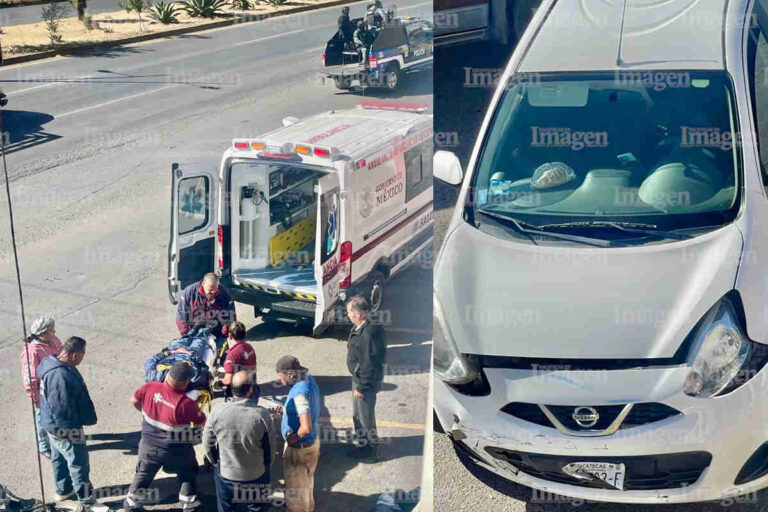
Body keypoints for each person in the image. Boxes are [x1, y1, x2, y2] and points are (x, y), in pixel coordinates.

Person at [123, 362, 207, 512]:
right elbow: (202, 422)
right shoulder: (186, 403)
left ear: (168, 375)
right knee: (187, 471)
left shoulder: (150, 387)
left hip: (148, 447)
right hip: (176, 450)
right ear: (186, 383)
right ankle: (188, 504)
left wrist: (146, 413)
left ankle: (131, 505)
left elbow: (134, 400)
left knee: (143, 474)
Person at [37, 337, 99, 507]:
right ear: (74, 354)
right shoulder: (60, 375)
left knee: (59, 457)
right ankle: (87, 501)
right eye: (83, 354)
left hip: (50, 424)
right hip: (64, 428)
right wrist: (71, 432)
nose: (82, 358)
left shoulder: (50, 362)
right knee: (79, 464)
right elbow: (61, 408)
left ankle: (63, 490)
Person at [204, 371, 274, 512]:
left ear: (231, 389)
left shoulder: (217, 412)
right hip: (256, 475)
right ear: (251, 390)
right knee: (256, 508)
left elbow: (207, 442)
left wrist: (215, 461)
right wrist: (266, 466)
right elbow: (270, 448)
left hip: (226, 475)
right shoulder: (262, 415)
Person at [273, 356, 320, 512]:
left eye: (281, 378)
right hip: (311, 445)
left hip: (299, 450)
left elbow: (306, 427)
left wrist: (292, 439)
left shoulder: (300, 393)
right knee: (306, 486)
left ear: (291, 375)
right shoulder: (308, 377)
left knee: (296, 498)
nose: (281, 382)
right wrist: (287, 409)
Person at [345, 295, 387, 458]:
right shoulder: (365, 326)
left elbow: (369, 364)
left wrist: (362, 387)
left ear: (358, 314)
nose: (348, 315)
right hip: (360, 379)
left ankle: (369, 450)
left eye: (349, 312)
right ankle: (364, 444)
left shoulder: (367, 334)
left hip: (364, 383)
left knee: (364, 418)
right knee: (359, 415)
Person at [20, 315, 63, 459]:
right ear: (43, 333)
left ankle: (60, 436)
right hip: (43, 392)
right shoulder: (32, 352)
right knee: (42, 419)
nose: (55, 331)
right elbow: (30, 378)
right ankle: (44, 446)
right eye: (52, 330)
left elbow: (62, 354)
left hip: (57, 387)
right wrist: (36, 399)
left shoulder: (54, 340)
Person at [176, 273, 236, 339]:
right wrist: (186, 335)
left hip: (217, 331)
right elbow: (181, 316)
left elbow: (230, 315)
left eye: (215, 289)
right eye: (210, 289)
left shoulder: (224, 293)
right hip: (195, 331)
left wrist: (225, 333)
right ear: (203, 284)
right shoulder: (189, 293)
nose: (213, 292)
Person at [220, 321, 257, 394]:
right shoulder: (249, 347)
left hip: (240, 391)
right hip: (252, 385)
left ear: (230, 336)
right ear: (245, 334)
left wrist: (219, 383)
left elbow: (228, 380)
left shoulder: (232, 355)